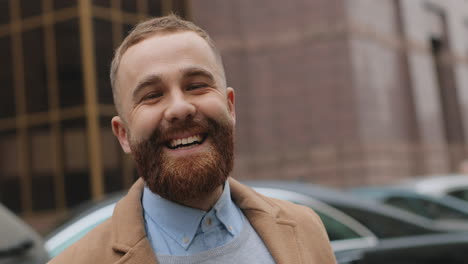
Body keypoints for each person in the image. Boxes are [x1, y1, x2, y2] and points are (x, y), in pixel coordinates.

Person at [49, 14, 336, 264]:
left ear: (230, 107)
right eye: (152, 95)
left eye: (196, 86)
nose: (179, 108)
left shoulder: (305, 228)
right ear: (123, 135)